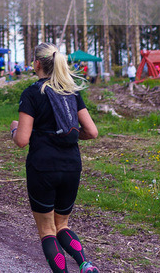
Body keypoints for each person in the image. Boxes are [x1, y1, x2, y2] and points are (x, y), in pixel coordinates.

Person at [11, 43, 100, 273]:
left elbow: (22, 140)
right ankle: (85, 264)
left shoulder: (31, 93)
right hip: (71, 165)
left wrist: (13, 130)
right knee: (63, 225)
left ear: (37, 64)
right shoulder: (71, 90)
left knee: (48, 230)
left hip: (43, 167)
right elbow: (91, 131)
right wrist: (66, 135)